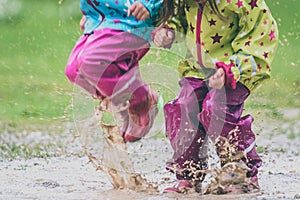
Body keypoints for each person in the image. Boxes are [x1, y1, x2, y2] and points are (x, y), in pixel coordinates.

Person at [153, 0, 279, 193]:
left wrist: (231, 69)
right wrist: (169, 29)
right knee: (183, 108)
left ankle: (241, 172)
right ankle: (190, 174)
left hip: (237, 69)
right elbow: (180, 17)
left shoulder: (242, 3)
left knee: (215, 109)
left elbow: (259, 36)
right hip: (198, 68)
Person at [65, 0, 166, 142]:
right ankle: (125, 107)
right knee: (73, 70)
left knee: (91, 62)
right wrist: (91, 11)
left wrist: (149, 4)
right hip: (100, 21)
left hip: (130, 22)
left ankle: (141, 99)